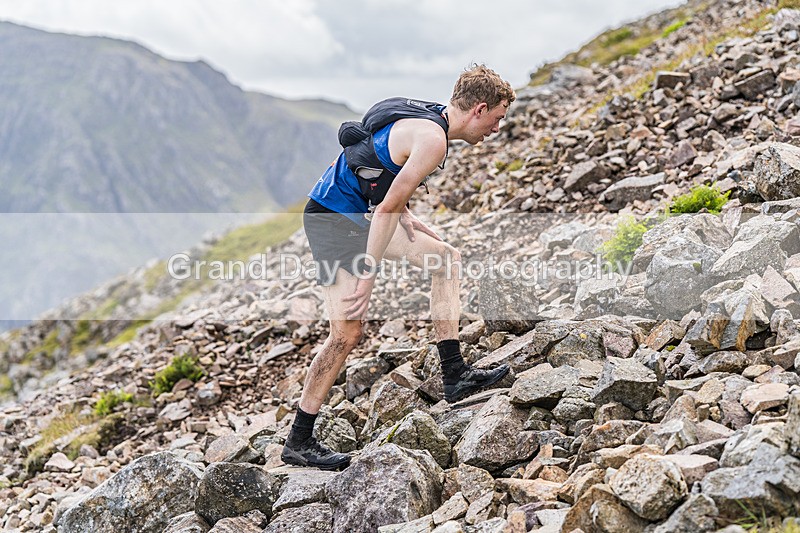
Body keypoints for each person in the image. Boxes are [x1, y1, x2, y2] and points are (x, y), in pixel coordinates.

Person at [281, 64, 516, 470]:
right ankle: (298, 441)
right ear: (479, 109)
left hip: (359, 214)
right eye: (496, 118)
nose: (496, 129)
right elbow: (385, 207)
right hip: (332, 219)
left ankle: (454, 374)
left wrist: (406, 214)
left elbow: (380, 168)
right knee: (346, 334)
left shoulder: (430, 117)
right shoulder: (434, 140)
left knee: (445, 259)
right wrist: (367, 274)